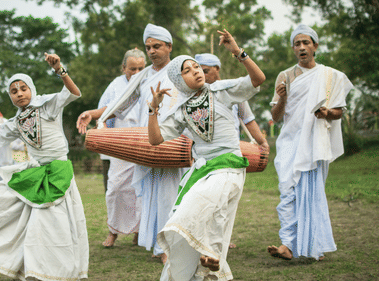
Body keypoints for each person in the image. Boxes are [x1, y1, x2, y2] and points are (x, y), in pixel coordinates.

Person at [0, 53, 89, 281]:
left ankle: (54, 274)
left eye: (23, 88)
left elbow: (73, 92)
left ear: (31, 89)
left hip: (58, 174)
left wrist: (60, 69)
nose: (20, 93)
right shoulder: (15, 122)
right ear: (10, 97)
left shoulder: (47, 106)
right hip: (35, 172)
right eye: (14, 91)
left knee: (50, 228)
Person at [149, 29, 265, 281]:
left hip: (230, 165)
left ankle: (210, 253)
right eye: (188, 70)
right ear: (179, 81)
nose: (196, 71)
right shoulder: (180, 110)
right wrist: (153, 111)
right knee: (203, 213)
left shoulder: (221, 91)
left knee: (203, 204)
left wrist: (238, 52)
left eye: (197, 67)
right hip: (203, 170)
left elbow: (258, 79)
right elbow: (156, 140)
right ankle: (208, 263)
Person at [77, 23, 184, 263]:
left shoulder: (180, 68)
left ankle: (176, 247)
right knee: (155, 196)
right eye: (148, 47)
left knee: (175, 195)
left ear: (169, 46)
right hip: (150, 144)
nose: (152, 51)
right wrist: (94, 115)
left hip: (179, 143)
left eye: (157, 46)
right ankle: (162, 247)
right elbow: (121, 105)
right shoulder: (144, 77)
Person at [267, 24, 353, 261]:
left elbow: (339, 113)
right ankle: (288, 242)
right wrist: (282, 98)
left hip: (315, 143)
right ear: (293, 48)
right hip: (290, 141)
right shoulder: (285, 76)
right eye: (297, 43)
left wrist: (326, 113)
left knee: (312, 193)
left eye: (306, 42)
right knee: (287, 190)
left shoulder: (330, 76)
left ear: (315, 46)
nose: (302, 47)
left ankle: (305, 244)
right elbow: (275, 117)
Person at [195, 53, 269, 249]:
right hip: (206, 156)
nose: (202, 75)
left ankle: (221, 239)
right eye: (199, 71)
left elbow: (248, 119)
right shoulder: (197, 94)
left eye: (206, 71)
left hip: (231, 154)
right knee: (209, 198)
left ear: (217, 69)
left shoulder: (232, 90)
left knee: (226, 200)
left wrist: (262, 142)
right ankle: (206, 240)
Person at [79, 48, 146, 247]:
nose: (136, 73)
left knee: (141, 189)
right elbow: (106, 113)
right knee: (115, 189)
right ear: (123, 67)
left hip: (144, 142)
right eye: (132, 68)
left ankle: (139, 232)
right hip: (120, 143)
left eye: (140, 68)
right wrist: (98, 125)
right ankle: (113, 232)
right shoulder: (116, 85)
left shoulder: (149, 81)